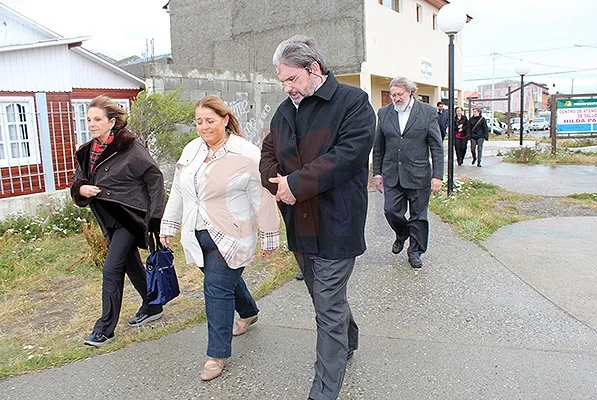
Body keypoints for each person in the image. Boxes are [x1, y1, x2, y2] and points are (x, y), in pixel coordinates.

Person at [259, 35, 375, 400]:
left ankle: (323, 392)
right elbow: (267, 152)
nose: (287, 87)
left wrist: (296, 183)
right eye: (282, 81)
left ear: (314, 69)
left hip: (336, 222)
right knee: (323, 297)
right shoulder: (284, 111)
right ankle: (349, 337)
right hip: (299, 224)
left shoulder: (353, 103)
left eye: (291, 79)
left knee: (326, 308)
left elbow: (348, 156)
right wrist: (276, 182)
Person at [160, 95, 279, 382]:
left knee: (215, 288)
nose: (203, 126)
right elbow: (178, 189)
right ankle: (249, 311)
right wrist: (169, 225)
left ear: (225, 120)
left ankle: (217, 355)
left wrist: (270, 234)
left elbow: (261, 193)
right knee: (224, 282)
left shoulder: (245, 153)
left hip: (233, 232)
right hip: (197, 232)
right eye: (199, 121)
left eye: (210, 121)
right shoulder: (191, 150)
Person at [70, 95, 166, 347]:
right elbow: (78, 179)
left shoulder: (131, 148)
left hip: (130, 217)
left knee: (111, 269)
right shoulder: (86, 151)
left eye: (97, 119)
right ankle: (153, 305)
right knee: (131, 265)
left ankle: (104, 329)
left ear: (112, 122)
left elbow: (155, 179)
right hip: (107, 219)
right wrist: (81, 189)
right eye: (89, 119)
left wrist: (155, 218)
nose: (91, 124)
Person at [372, 76, 444, 269]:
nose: (396, 98)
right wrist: (377, 174)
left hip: (419, 174)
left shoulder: (427, 112)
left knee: (419, 216)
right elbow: (378, 146)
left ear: (410, 92)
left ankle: (415, 251)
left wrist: (438, 175)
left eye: (399, 94)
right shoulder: (384, 113)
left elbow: (436, 147)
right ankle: (402, 233)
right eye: (393, 94)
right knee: (390, 211)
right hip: (392, 174)